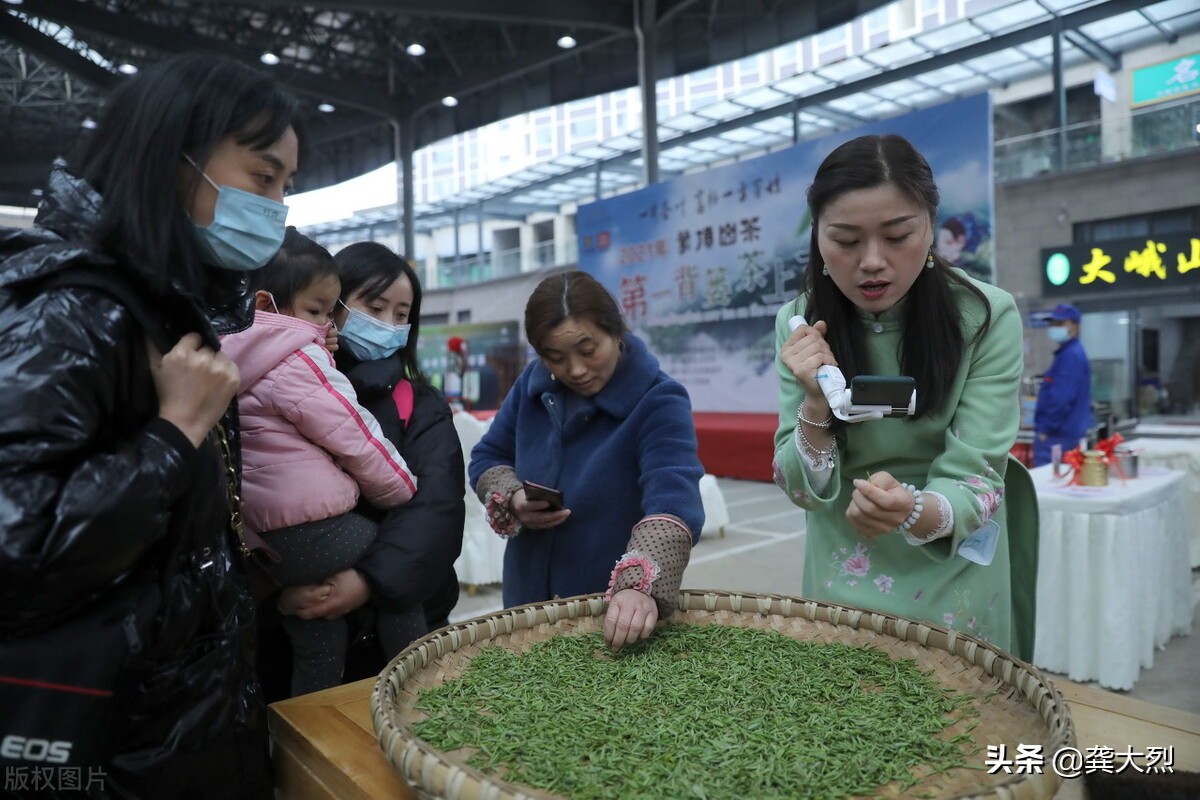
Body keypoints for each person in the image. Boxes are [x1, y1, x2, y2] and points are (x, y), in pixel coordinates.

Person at [0, 53, 298, 796]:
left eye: (287, 186)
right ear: (175, 155)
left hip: (170, 731)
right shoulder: (72, 314)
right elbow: (15, 551)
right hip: (106, 748)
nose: (277, 208)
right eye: (263, 178)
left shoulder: (158, 310)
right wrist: (170, 437)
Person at [772, 134, 1036, 659]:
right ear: (818, 240)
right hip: (841, 562)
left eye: (898, 235)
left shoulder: (985, 316)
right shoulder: (798, 323)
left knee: (962, 722)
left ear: (931, 226)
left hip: (953, 558)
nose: (873, 261)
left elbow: (976, 475)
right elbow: (799, 489)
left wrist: (912, 509)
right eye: (845, 240)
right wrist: (816, 407)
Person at [221, 229, 421, 697]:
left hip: (263, 542)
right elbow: (354, 435)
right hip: (316, 528)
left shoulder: (226, 357)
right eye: (315, 311)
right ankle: (419, 695)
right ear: (268, 304)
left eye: (330, 313)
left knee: (316, 629)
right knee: (399, 577)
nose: (327, 325)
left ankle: (305, 724)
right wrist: (400, 488)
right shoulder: (298, 359)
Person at [261, 242, 465, 696]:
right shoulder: (280, 384)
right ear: (332, 303)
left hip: (403, 615)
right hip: (292, 620)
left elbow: (436, 510)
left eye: (401, 314)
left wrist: (367, 582)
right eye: (374, 308)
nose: (388, 326)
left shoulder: (420, 402)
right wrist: (273, 590)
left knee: (413, 709)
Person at [469, 271, 705, 650]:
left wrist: (639, 588)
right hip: (527, 594)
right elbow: (488, 455)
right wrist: (513, 498)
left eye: (588, 349)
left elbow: (672, 499)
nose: (576, 370)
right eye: (555, 357)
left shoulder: (659, 399)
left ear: (616, 332)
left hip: (612, 608)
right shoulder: (533, 385)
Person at [1033, 303, 1092, 467]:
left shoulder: (1071, 356)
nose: (1055, 328)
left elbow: (1061, 398)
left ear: (1076, 327)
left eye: (1060, 324)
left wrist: (1046, 429)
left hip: (1057, 436)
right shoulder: (1067, 354)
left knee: (1047, 484)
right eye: (1053, 324)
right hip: (1062, 435)